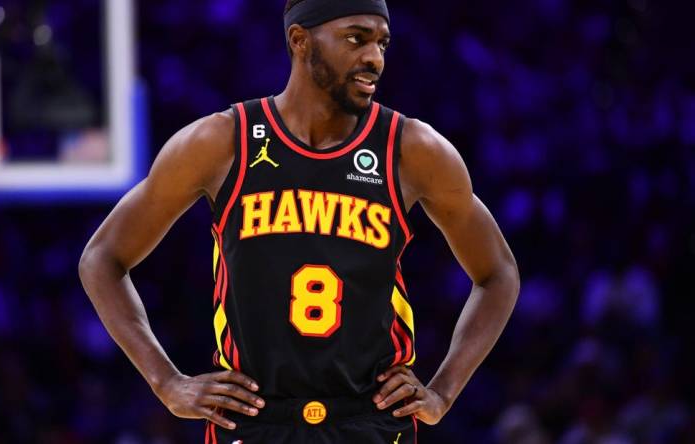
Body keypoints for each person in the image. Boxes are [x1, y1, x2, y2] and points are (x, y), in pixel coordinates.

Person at [78, 0, 520, 442]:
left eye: (382, 43)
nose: (375, 58)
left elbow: (498, 273)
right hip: (253, 420)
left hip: (369, 420)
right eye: (356, 38)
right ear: (299, 40)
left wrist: (442, 391)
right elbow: (102, 258)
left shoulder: (413, 150)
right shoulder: (221, 141)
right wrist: (166, 382)